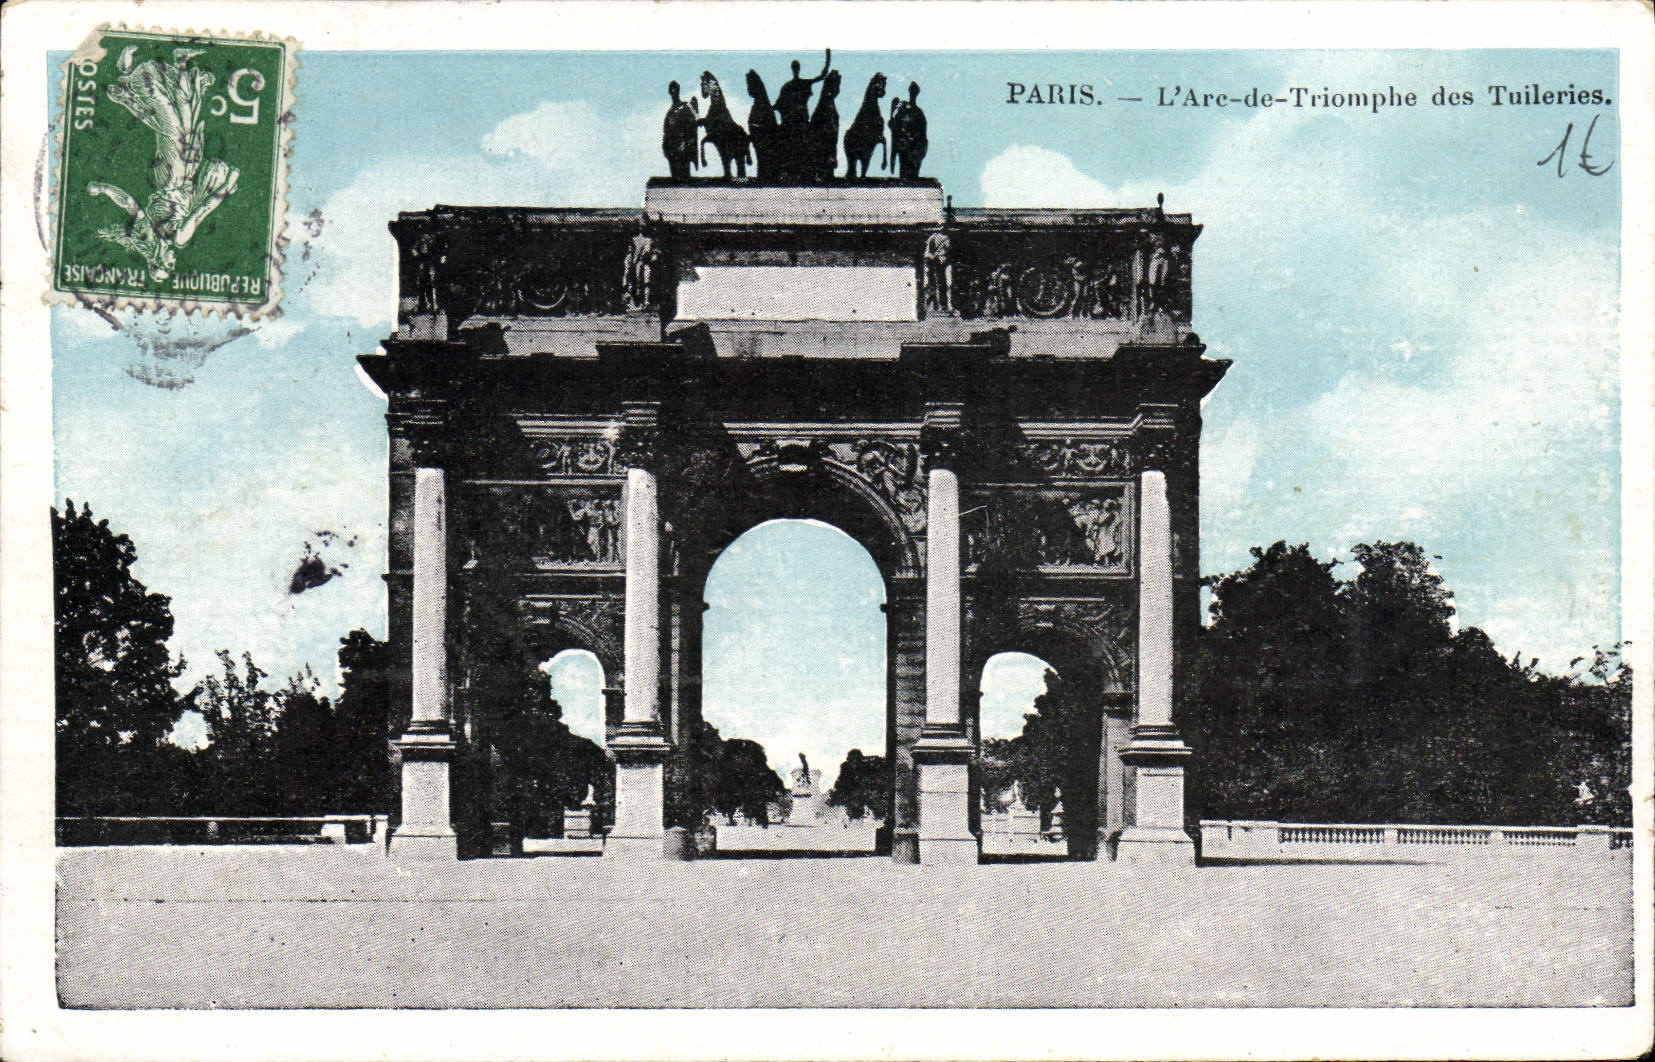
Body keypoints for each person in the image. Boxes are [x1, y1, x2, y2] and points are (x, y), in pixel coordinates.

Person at [773, 49, 831, 131]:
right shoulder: (787, 86)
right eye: (794, 68)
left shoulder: (802, 83)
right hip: (790, 120)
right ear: (792, 69)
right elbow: (779, 103)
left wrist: (828, 60)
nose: (795, 70)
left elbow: (822, 76)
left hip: (801, 119)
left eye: (796, 68)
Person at [661, 81, 699, 180]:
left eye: (675, 89)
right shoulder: (670, 111)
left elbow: (691, 126)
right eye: (671, 90)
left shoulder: (684, 107)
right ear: (669, 92)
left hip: (683, 145)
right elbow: (667, 129)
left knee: (684, 175)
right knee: (675, 176)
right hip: (671, 146)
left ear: (678, 91)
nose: (673, 92)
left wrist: (687, 143)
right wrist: (665, 145)